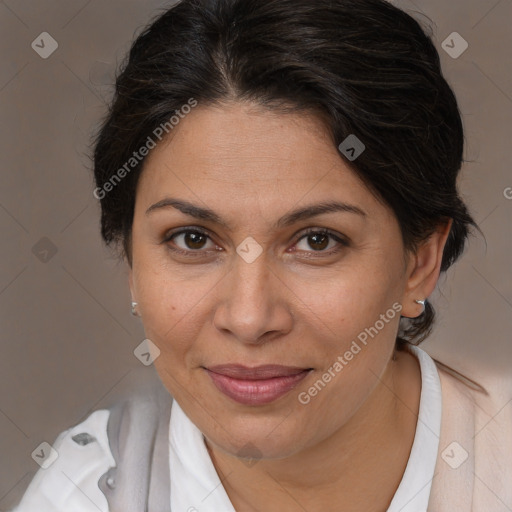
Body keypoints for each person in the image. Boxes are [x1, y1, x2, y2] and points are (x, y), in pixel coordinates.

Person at [11, 0, 512, 510]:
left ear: (420, 261)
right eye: (193, 239)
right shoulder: (86, 490)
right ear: (132, 262)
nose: (249, 319)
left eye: (318, 240)